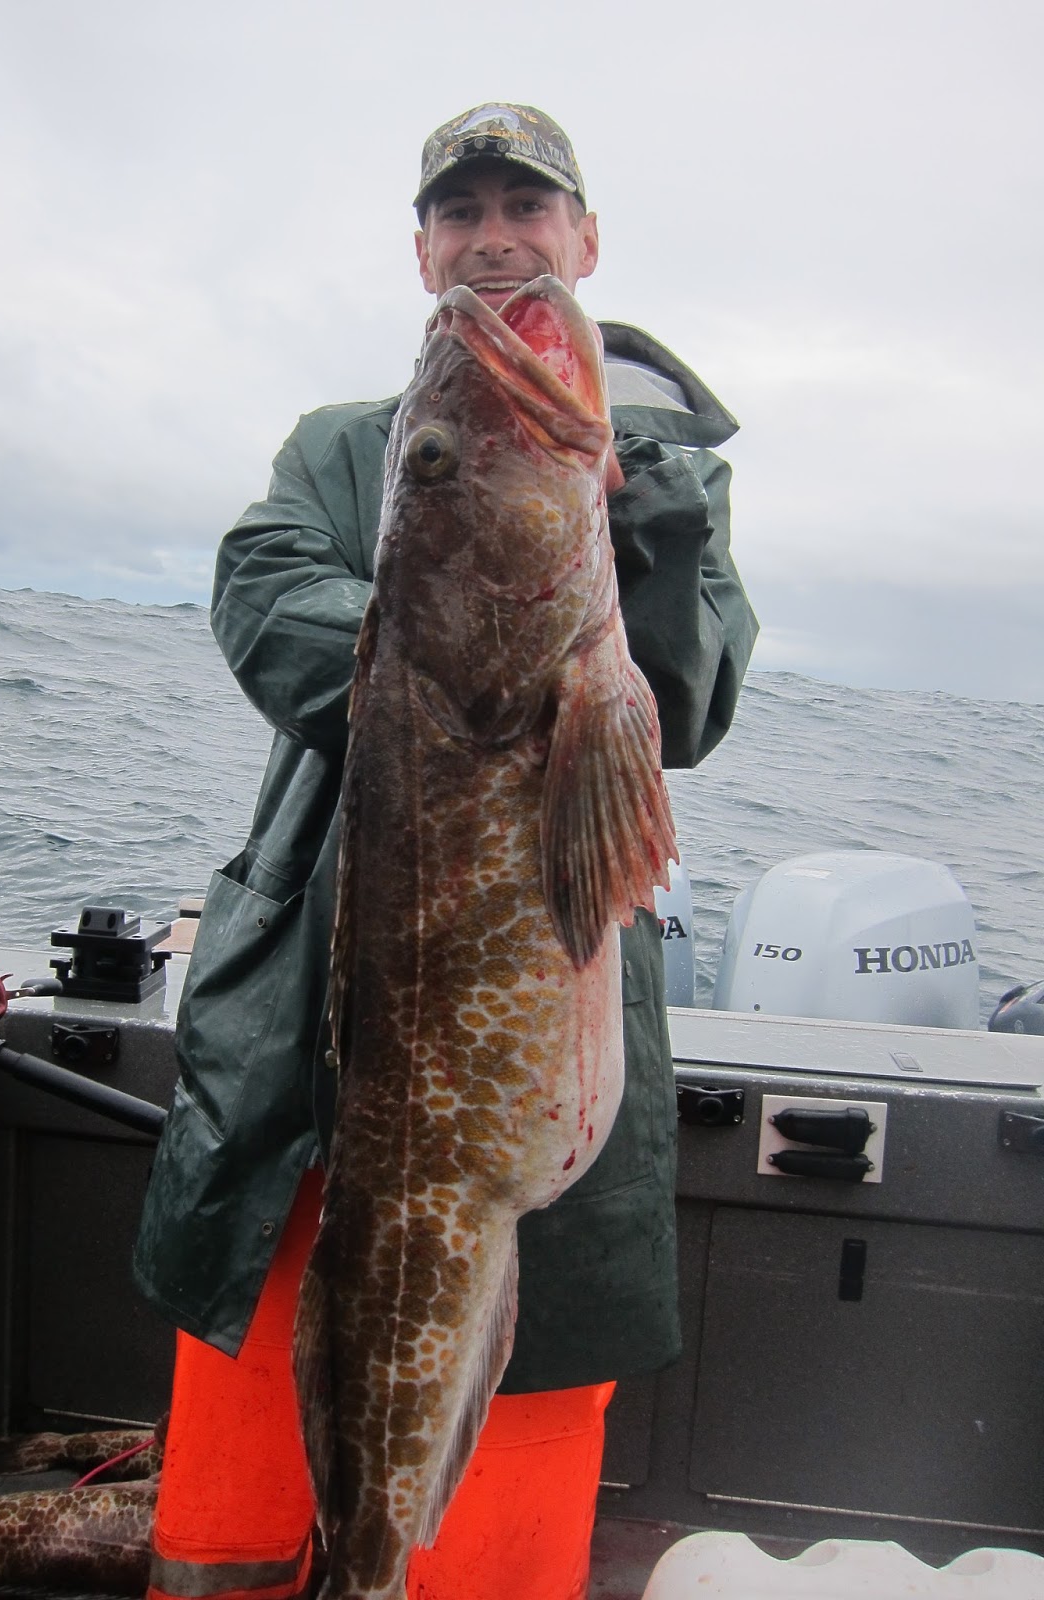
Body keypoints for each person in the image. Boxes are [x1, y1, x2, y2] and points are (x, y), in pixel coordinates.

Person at [133, 103, 758, 1600]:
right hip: (307, 1027)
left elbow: (683, 706)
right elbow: (260, 594)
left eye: (525, 207)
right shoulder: (353, 449)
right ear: (420, 251)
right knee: (226, 1515)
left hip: (526, 1016)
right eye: (457, 209)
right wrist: (440, 635)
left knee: (497, 1521)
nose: (492, 234)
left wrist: (631, 530)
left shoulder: (664, 480)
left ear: (582, 238)